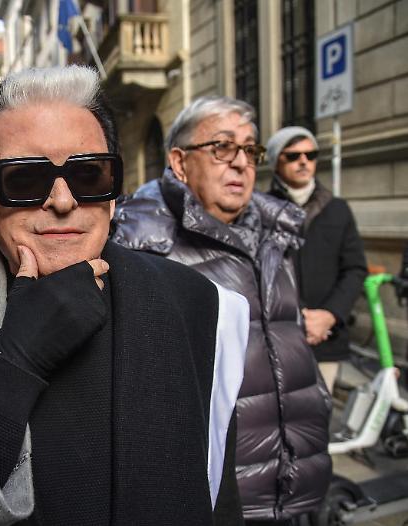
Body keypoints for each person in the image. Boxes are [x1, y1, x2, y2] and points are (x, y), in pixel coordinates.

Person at [0, 66, 250, 525]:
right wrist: (16, 361)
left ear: (112, 194)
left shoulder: (197, 303)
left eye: (89, 174)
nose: (62, 200)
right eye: (25, 180)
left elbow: (217, 496)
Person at [112, 96, 332, 525]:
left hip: (296, 475)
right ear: (180, 162)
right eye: (222, 147)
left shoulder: (278, 230)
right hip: (219, 491)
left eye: (249, 149)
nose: (241, 163)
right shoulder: (143, 243)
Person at [266, 126, 367, 393]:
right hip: (278, 336)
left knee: (321, 413)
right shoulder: (261, 210)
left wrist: (329, 315)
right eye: (293, 156)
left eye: (310, 155)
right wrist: (296, 317)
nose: (303, 161)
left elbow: (355, 269)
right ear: (276, 162)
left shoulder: (337, 209)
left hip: (326, 338)